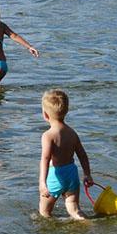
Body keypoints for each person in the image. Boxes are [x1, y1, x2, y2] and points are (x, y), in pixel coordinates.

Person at [38, 89, 93, 220]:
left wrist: (42, 183)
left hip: (55, 176)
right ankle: (87, 223)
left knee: (44, 212)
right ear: (66, 111)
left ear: (45, 115)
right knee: (74, 209)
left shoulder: (48, 136)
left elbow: (45, 159)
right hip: (72, 174)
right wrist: (87, 174)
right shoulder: (72, 132)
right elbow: (82, 155)